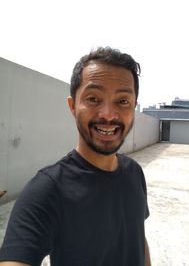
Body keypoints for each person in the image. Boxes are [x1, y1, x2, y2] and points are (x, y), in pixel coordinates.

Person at [0, 47, 151, 266]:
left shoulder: (135, 173)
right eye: (93, 98)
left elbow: (139, 239)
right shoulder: (47, 191)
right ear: (73, 106)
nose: (108, 114)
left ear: (133, 108)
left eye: (122, 101)